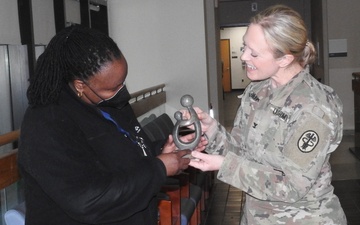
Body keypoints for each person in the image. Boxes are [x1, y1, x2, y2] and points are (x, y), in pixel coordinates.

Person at [187, 4, 347, 225]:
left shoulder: (314, 107)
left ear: (284, 59)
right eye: (244, 47)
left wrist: (224, 165)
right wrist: (211, 130)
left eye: (254, 53)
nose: (243, 56)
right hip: (257, 216)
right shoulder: (257, 91)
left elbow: (292, 186)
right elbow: (242, 152)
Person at [18, 25, 191, 225]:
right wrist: (159, 168)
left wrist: (163, 149)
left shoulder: (110, 103)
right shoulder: (46, 123)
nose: (122, 91)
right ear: (80, 85)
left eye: (123, 82)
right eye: (113, 87)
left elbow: (129, 153)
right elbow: (89, 199)